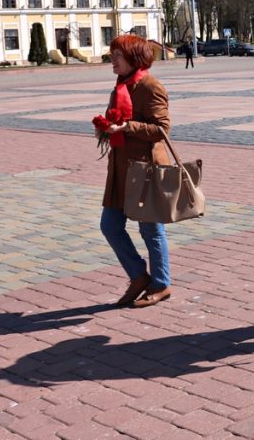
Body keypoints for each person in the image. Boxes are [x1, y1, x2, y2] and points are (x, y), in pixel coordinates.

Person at [97, 34, 173, 308]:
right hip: (120, 170)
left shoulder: (150, 86)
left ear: (133, 57)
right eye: (112, 55)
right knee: (110, 226)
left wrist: (128, 127)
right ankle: (139, 276)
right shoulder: (120, 87)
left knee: (151, 230)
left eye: (117, 56)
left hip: (145, 168)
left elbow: (162, 129)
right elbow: (116, 122)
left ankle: (161, 284)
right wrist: (105, 128)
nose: (112, 61)